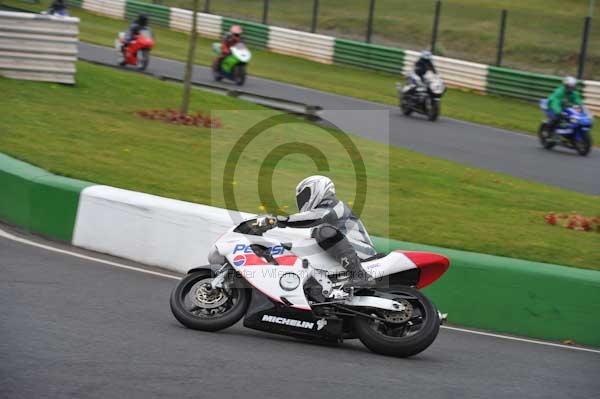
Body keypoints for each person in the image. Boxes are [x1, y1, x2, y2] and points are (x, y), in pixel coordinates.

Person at [261, 175, 377, 287]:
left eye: (305, 195)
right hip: (351, 250)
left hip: (365, 253)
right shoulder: (323, 210)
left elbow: (316, 217)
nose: (303, 200)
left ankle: (360, 275)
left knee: (324, 231)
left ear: (318, 188)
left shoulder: (335, 205)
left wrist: (281, 220)